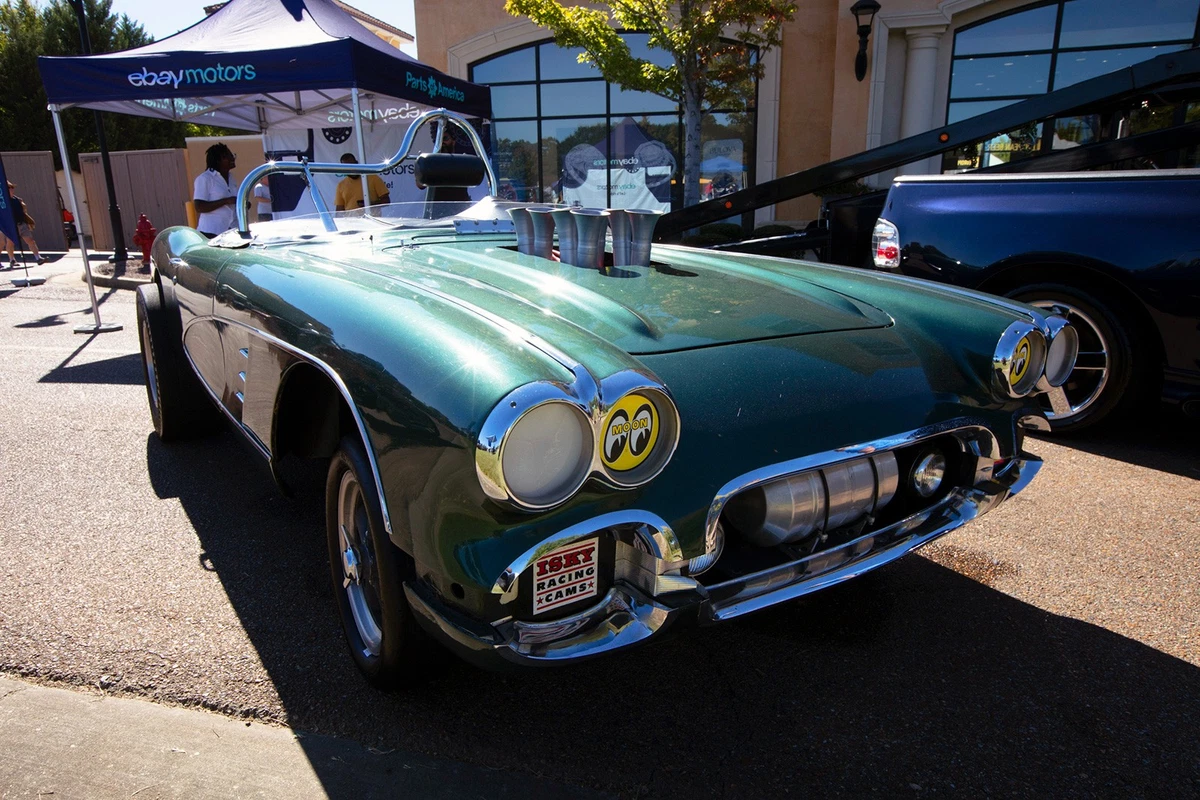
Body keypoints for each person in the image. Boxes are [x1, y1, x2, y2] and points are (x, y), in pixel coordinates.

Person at [193, 143, 238, 236]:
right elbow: (199, 207)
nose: (232, 159)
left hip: (231, 231)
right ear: (218, 160)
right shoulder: (205, 178)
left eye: (232, 155)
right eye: (228, 156)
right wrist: (225, 201)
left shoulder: (231, 177)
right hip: (211, 232)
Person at [2, 181, 45, 268]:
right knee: (10, 243)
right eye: (10, 188)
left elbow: (23, 212)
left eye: (12, 188)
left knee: (30, 240)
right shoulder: (4, 202)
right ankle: (12, 260)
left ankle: (38, 258)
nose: (12, 190)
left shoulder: (17, 199)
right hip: (12, 226)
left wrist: (27, 221)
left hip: (21, 224)